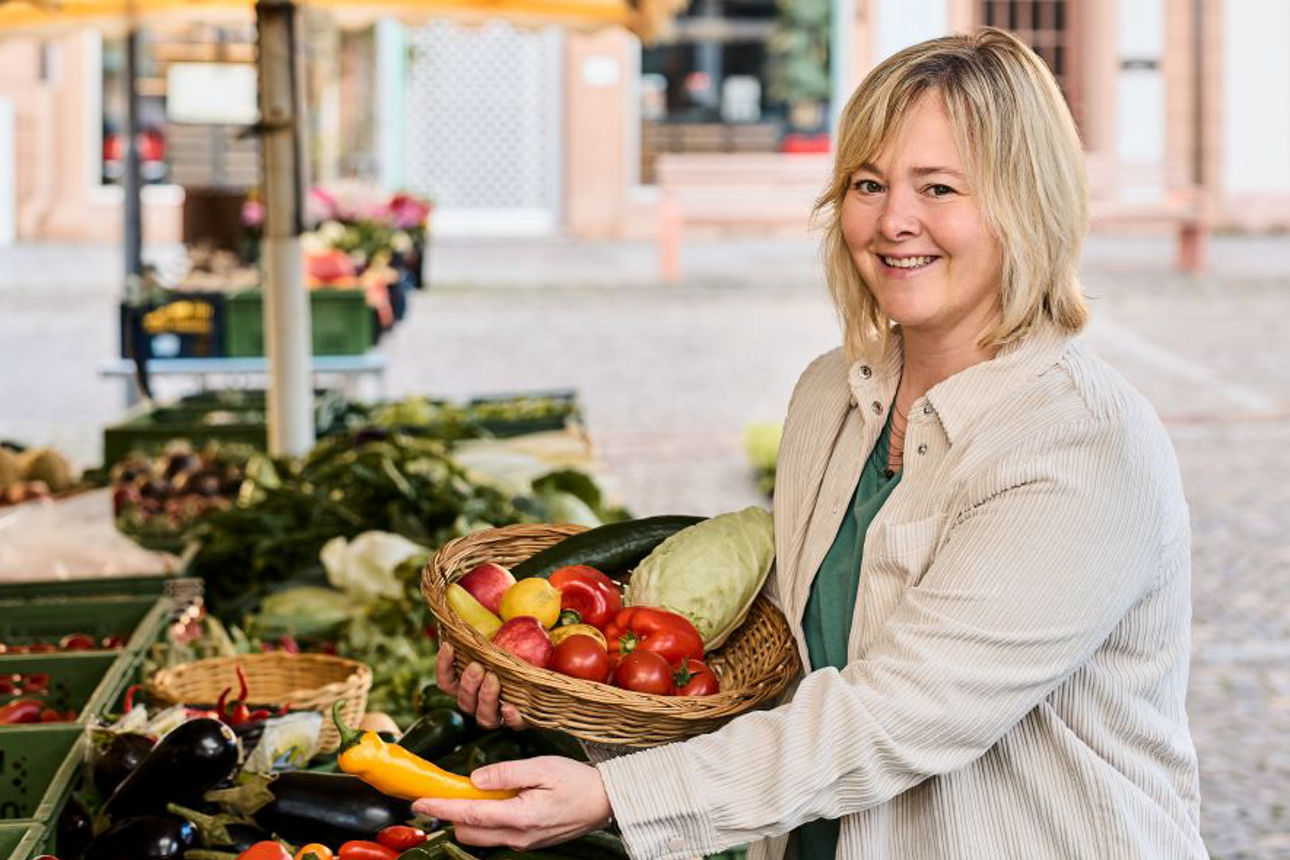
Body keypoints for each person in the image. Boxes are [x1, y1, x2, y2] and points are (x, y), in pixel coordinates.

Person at [417, 27, 1207, 860]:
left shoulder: (1079, 444)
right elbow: (787, 686)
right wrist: (562, 701)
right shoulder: (834, 394)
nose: (894, 220)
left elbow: (900, 714)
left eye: (938, 188)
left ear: (1027, 202)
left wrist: (619, 797)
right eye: (869, 183)